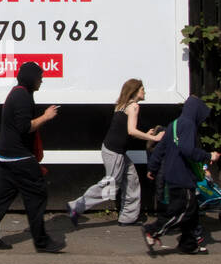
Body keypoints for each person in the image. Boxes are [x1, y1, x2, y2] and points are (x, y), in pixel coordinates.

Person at [0, 61, 65, 253]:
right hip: (19, 157)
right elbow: (24, 127)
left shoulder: (18, 92)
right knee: (37, 196)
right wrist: (46, 116)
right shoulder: (22, 97)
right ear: (31, 79)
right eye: (40, 77)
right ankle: (42, 242)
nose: (42, 81)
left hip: (6, 155)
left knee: (1, 198)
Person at [66, 79, 163, 227]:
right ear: (135, 90)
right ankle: (77, 206)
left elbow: (124, 129)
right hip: (115, 152)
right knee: (110, 186)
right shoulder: (134, 106)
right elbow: (131, 131)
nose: (145, 92)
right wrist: (153, 137)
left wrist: (145, 133)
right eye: (142, 89)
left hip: (115, 150)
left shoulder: (122, 105)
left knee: (132, 181)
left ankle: (128, 218)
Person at [144, 95, 221, 255]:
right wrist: (208, 155)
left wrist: (152, 167)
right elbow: (188, 150)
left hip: (172, 175)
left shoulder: (174, 124)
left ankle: (188, 245)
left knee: (191, 213)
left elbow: (160, 149)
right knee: (182, 211)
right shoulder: (188, 125)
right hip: (183, 176)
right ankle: (153, 230)